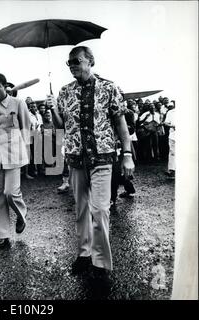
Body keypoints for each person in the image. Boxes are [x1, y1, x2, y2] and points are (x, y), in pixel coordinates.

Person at [47, 46, 134, 283]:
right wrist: (53, 108)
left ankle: (101, 261)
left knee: (100, 210)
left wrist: (127, 153)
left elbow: (120, 124)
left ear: (90, 61)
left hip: (103, 158)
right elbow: (59, 126)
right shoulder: (65, 92)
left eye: (76, 60)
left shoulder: (109, 88)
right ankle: (84, 254)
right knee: (82, 210)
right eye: (69, 63)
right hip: (75, 159)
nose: (72, 65)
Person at [0, 73, 31, 249]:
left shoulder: (18, 103)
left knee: (11, 193)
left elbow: (26, 127)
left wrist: (26, 151)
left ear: (5, 87)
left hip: (14, 152)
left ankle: (21, 213)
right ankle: (2, 235)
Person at [164, 103, 175, 179]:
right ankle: (172, 171)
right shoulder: (171, 112)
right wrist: (172, 126)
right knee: (172, 152)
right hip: (173, 135)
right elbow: (166, 122)